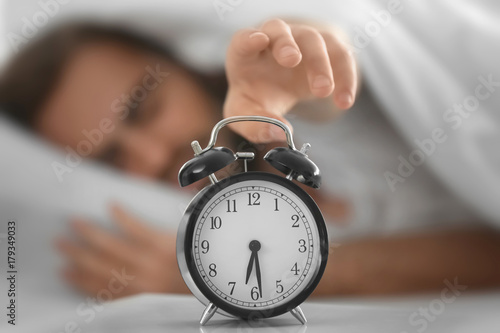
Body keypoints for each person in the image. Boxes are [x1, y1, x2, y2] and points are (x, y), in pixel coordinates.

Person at [1, 15, 499, 299]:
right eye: (111, 159)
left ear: (182, 63)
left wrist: (305, 60)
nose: (152, 157)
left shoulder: (290, 114)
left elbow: (325, 75)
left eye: (146, 107)